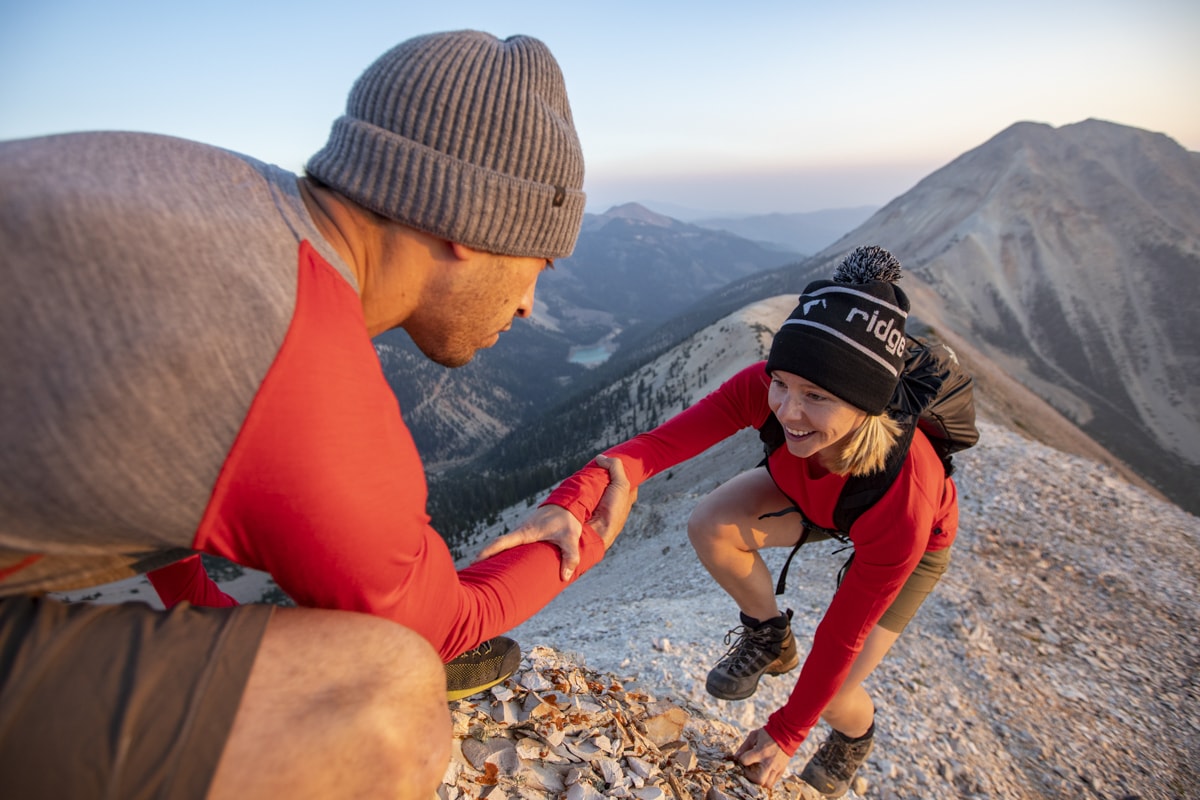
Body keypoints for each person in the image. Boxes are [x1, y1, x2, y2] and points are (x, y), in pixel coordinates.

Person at [0, 29, 635, 799]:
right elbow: (443, 628)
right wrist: (583, 538)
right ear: (473, 223)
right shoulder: (298, 363)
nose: (533, 300)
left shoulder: (216, 191)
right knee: (388, 702)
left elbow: (141, 449)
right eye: (540, 260)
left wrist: (206, 617)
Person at [482, 245, 959, 796]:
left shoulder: (906, 496)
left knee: (834, 690)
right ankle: (770, 634)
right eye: (781, 382)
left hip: (907, 540)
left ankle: (855, 736)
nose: (787, 409)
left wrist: (786, 732)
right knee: (710, 523)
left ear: (867, 405)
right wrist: (572, 498)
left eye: (816, 396)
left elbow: (842, 632)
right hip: (813, 496)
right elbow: (654, 448)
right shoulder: (766, 390)